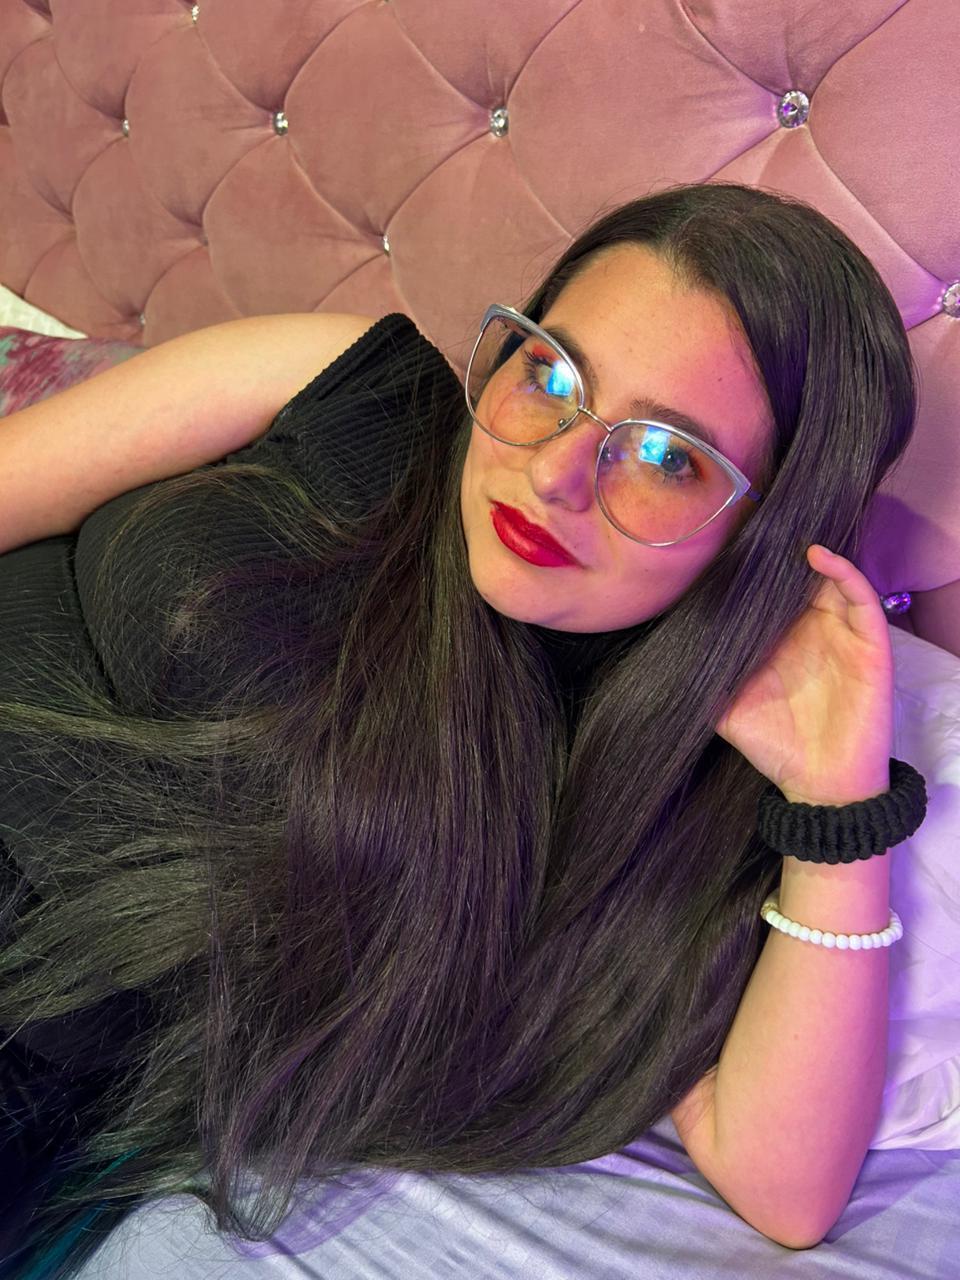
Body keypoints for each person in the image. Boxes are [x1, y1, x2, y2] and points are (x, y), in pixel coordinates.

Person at [0, 182, 921, 1276]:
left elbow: (785, 1188)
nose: (553, 471)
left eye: (668, 456)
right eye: (551, 375)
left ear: (767, 528)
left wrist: (838, 806)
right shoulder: (342, 384)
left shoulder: (651, 806)